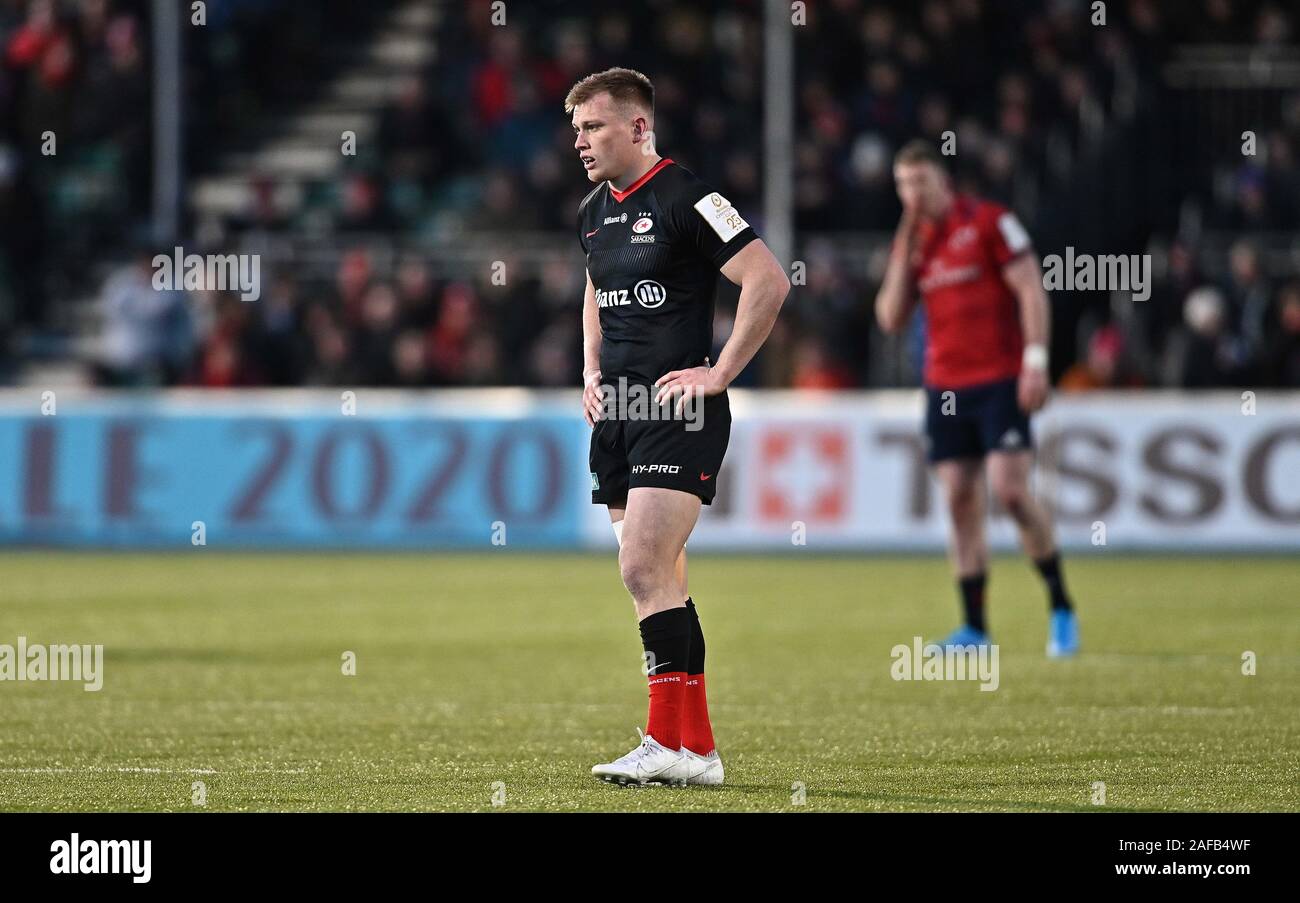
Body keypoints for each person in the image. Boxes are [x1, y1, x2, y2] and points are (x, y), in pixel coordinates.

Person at [569, 68, 789, 784]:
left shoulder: (691, 197)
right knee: (662, 578)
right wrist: (590, 371)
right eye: (576, 130)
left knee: (640, 567)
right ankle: (697, 753)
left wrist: (720, 372)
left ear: (638, 127)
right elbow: (596, 293)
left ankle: (666, 743)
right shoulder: (592, 212)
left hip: (678, 409)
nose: (581, 141)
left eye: (593, 126)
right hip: (620, 418)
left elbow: (769, 279)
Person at [875, 139, 1079, 658]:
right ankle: (974, 628)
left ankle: (1059, 604)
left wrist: (1036, 361)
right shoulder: (915, 243)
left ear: (942, 181)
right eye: (902, 185)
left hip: (1000, 381)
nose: (911, 193)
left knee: (1010, 491)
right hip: (944, 387)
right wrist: (904, 241)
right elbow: (890, 318)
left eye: (919, 181)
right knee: (960, 502)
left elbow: (1031, 289)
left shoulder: (989, 221)